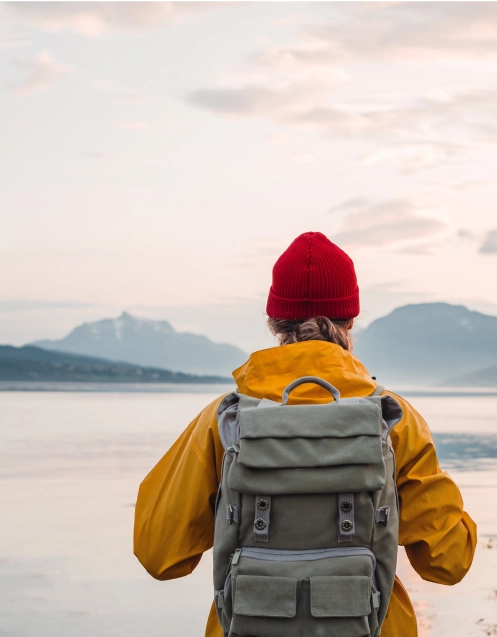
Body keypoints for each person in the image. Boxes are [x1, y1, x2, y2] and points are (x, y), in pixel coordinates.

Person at [134, 231, 477, 637]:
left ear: (274, 321)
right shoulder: (395, 418)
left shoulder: (224, 419)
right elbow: (448, 562)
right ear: (350, 320)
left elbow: (158, 554)